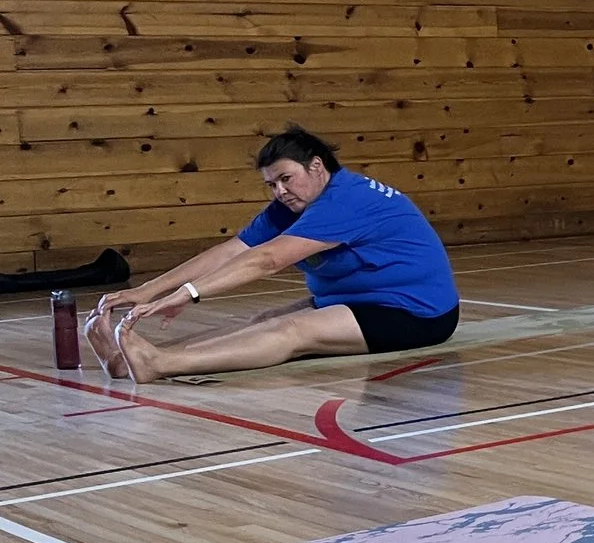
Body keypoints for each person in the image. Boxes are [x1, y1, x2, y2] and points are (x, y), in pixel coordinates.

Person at [87, 126, 460, 383]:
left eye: (286, 178)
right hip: (355, 301)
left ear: (317, 166)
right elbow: (232, 251)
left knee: (291, 330)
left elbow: (267, 260)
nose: (279, 191)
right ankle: (132, 359)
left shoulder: (347, 199)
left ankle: (161, 365)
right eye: (271, 184)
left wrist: (188, 294)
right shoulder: (292, 206)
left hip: (415, 313)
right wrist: (147, 291)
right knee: (261, 321)